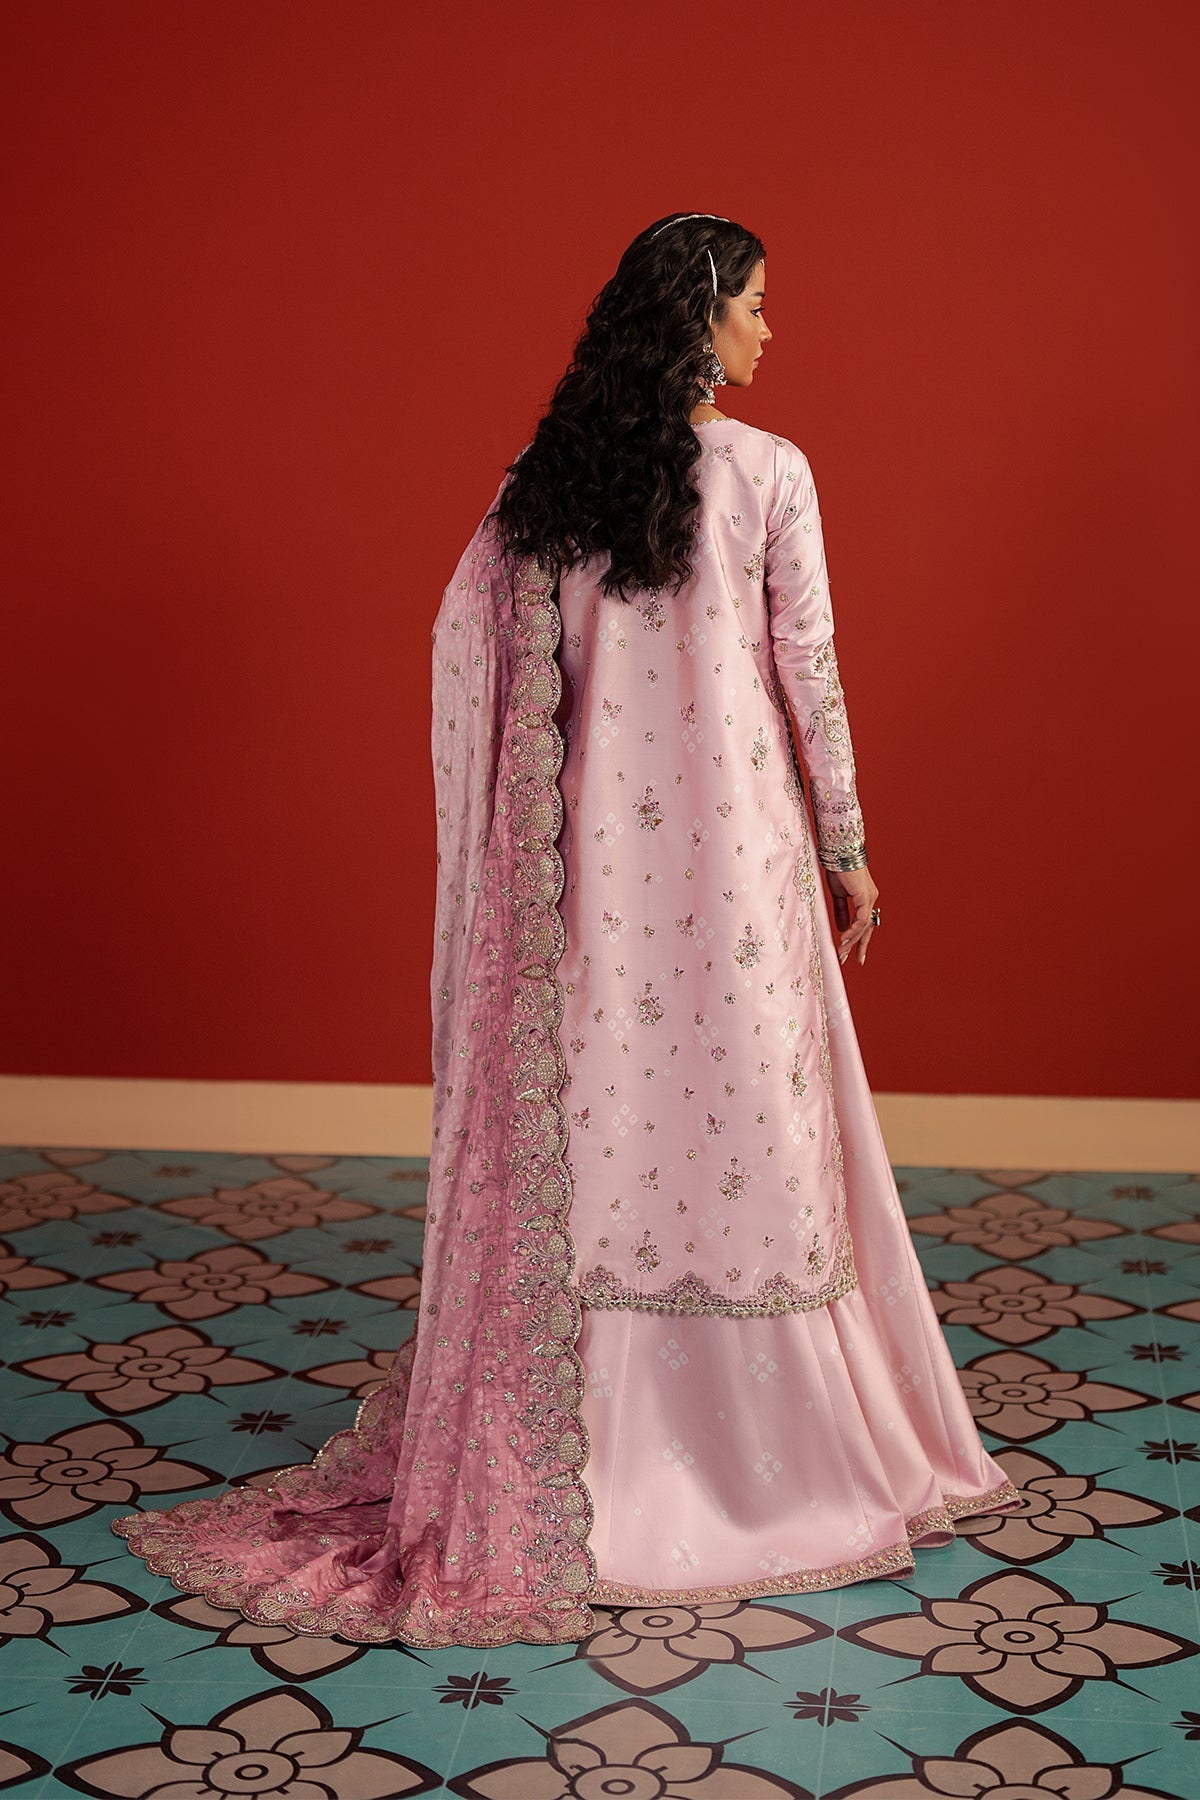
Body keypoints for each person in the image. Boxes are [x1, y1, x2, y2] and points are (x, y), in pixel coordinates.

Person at [113, 212, 1019, 1647]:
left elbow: (473, 662)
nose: (771, 331)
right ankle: (785, 1461)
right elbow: (810, 671)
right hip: (741, 868)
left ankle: (590, 1451)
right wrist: (848, 847)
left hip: (598, 871)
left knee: (613, 1116)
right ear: (701, 318)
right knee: (758, 1123)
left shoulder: (550, 483)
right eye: (757, 304)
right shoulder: (770, 472)